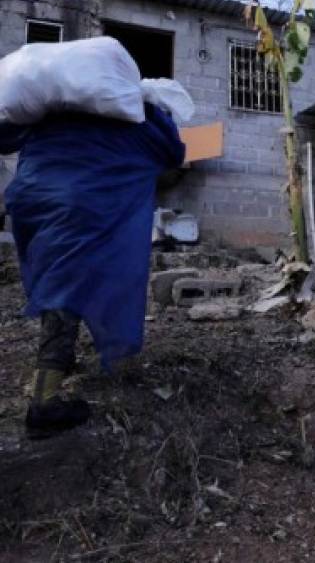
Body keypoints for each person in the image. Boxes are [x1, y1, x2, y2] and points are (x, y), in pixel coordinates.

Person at [0, 104, 185, 438]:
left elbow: (7, 136)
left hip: (33, 200)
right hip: (78, 206)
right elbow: (172, 151)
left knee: (57, 280)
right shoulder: (120, 115)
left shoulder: (48, 112)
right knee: (64, 289)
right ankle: (44, 401)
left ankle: (61, 357)